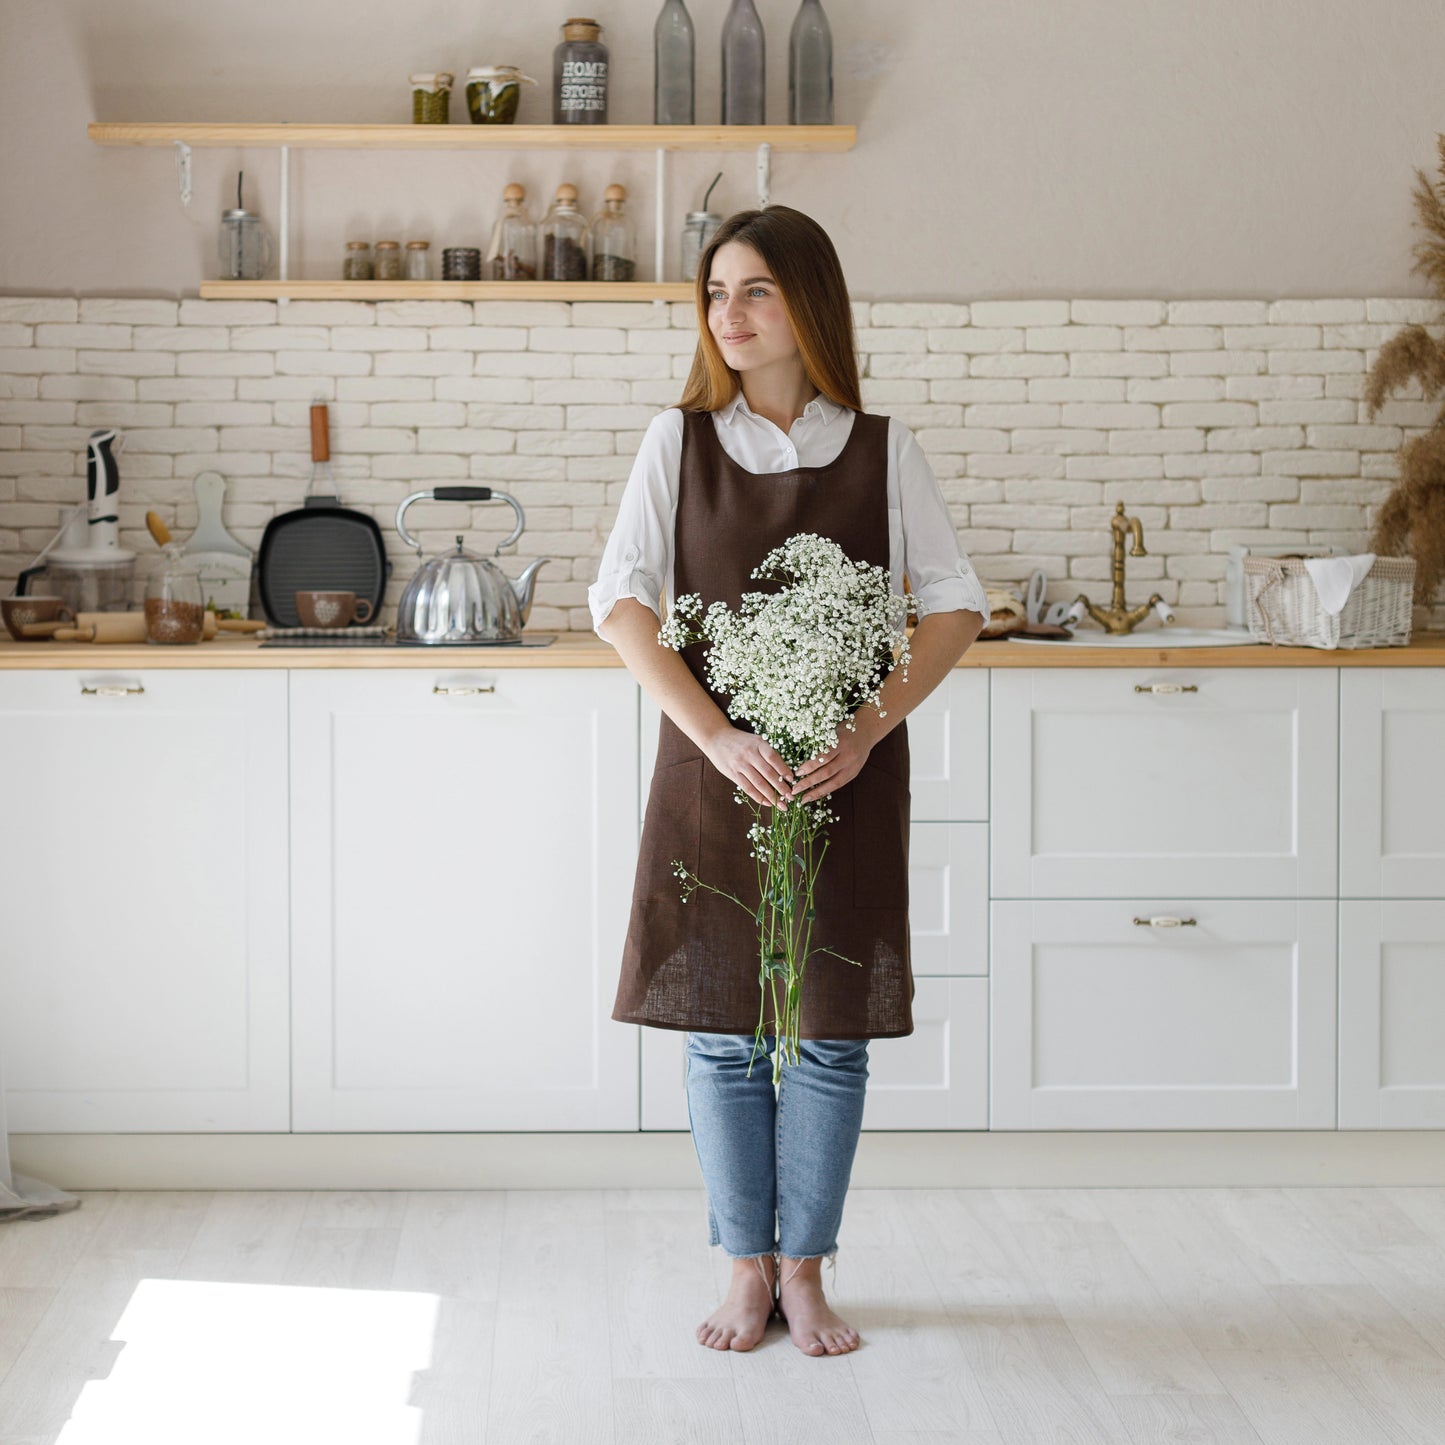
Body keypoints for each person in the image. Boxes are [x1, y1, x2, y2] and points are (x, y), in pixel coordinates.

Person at [589, 206, 988, 1356]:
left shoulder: (880, 446)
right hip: (712, 771)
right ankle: (742, 1264)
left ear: (808, 302)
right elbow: (621, 606)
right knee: (718, 1030)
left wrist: (863, 731)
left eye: (753, 289)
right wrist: (716, 739)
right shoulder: (678, 442)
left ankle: (805, 1268)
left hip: (842, 777)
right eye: (715, 291)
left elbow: (954, 604)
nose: (728, 313)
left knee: (825, 1035)